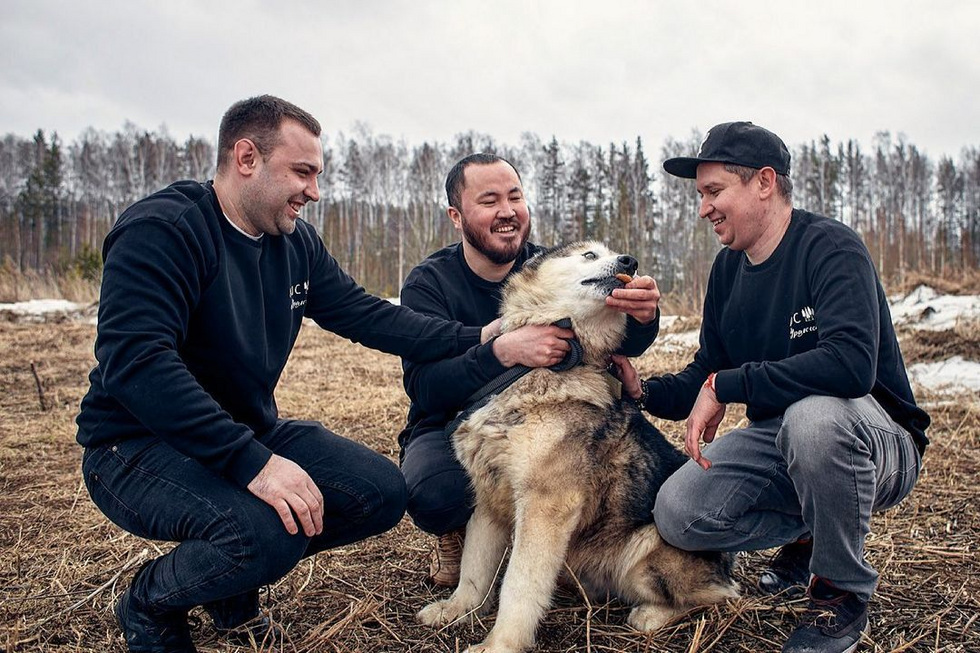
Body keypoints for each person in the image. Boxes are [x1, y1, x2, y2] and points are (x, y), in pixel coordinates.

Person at [76, 95, 496, 653]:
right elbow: (138, 363)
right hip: (134, 446)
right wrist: (254, 464)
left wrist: (481, 337)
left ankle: (230, 584)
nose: (314, 191)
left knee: (379, 492)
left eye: (317, 174)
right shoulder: (165, 231)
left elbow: (366, 315)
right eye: (302, 172)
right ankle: (150, 601)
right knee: (264, 532)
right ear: (246, 157)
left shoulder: (293, 243)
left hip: (242, 431)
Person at [611, 122, 930, 653]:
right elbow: (706, 371)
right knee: (677, 513)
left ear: (763, 182)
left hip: (875, 437)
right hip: (784, 442)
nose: (703, 209)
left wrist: (730, 383)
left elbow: (851, 365)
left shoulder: (830, 248)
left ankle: (840, 592)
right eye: (700, 196)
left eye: (714, 193)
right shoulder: (728, 272)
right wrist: (642, 390)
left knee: (815, 419)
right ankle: (811, 533)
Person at [396, 152, 663, 587]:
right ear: (456, 216)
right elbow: (426, 387)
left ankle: (552, 545)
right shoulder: (430, 283)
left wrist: (645, 316)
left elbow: (610, 338)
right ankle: (459, 537)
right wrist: (502, 352)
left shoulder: (551, 265)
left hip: (540, 416)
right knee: (438, 492)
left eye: (514, 197)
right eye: (489, 200)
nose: (507, 211)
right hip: (448, 422)